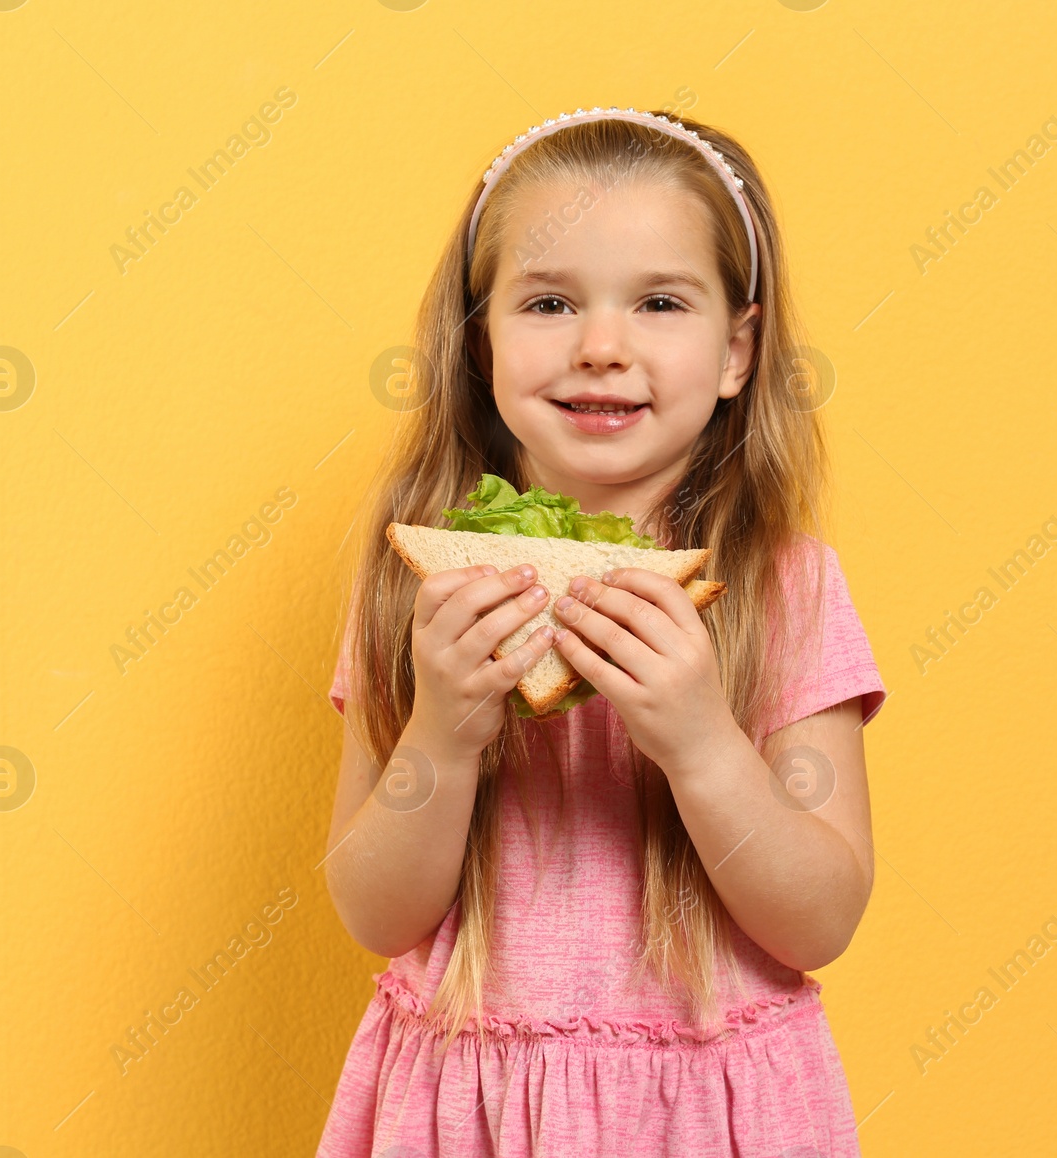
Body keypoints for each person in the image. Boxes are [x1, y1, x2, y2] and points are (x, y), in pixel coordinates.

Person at [317, 106, 887, 1157]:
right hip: (467, 1103)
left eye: (661, 301)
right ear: (477, 340)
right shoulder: (417, 587)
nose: (601, 348)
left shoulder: (787, 586)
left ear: (736, 349)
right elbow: (373, 911)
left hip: (712, 1114)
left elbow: (821, 920)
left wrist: (700, 740)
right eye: (546, 302)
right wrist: (442, 732)